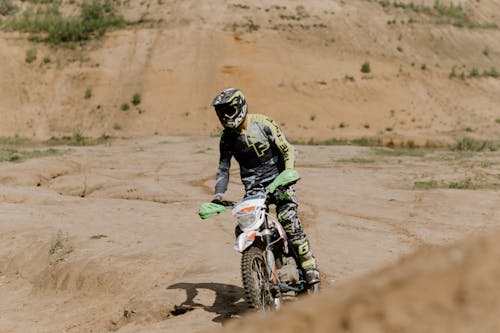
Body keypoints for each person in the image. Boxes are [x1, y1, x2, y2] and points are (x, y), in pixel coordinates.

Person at [210, 87, 320, 286]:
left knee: (288, 219)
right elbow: (223, 168)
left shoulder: (263, 123)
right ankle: (266, 264)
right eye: (221, 112)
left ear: (239, 106)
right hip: (254, 188)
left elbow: (286, 148)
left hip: (279, 179)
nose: (224, 116)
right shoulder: (226, 139)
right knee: (245, 225)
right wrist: (218, 196)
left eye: (228, 110)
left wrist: (289, 171)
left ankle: (309, 265)